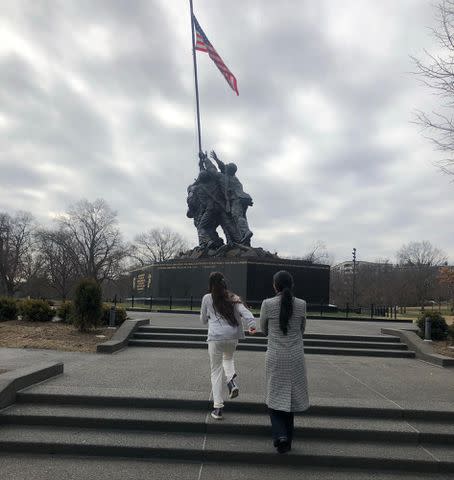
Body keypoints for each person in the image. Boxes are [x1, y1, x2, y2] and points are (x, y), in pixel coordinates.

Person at [260, 270, 309, 454]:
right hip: (295, 356)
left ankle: (280, 435)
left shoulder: (267, 304)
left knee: (274, 395)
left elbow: (263, 329)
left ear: (275, 285)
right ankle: (287, 439)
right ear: (291, 285)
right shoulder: (301, 304)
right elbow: (302, 329)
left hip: (275, 355)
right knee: (290, 398)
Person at [200, 271, 257, 420]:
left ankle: (218, 408)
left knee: (216, 371)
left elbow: (203, 320)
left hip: (215, 338)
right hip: (232, 337)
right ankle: (231, 381)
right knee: (228, 359)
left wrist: (209, 315)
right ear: (224, 283)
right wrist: (251, 325)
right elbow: (245, 312)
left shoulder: (207, 298)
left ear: (210, 284)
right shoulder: (232, 297)